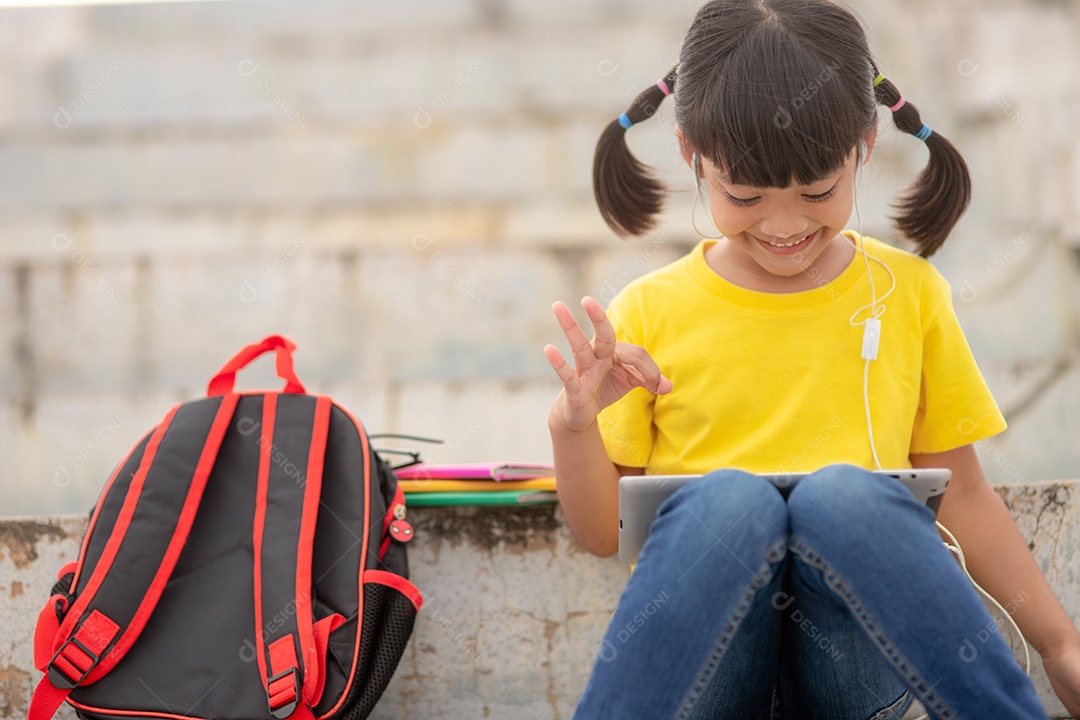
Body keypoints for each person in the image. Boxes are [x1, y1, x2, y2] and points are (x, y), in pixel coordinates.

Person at [543, 1, 1080, 718]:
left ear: (866, 144)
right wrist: (573, 425)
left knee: (845, 498)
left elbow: (964, 493)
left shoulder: (907, 293)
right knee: (727, 503)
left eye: (818, 191)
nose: (784, 224)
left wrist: (1060, 645)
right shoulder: (648, 310)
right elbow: (598, 530)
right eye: (744, 196)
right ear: (690, 155)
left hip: (853, 668)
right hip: (707, 670)